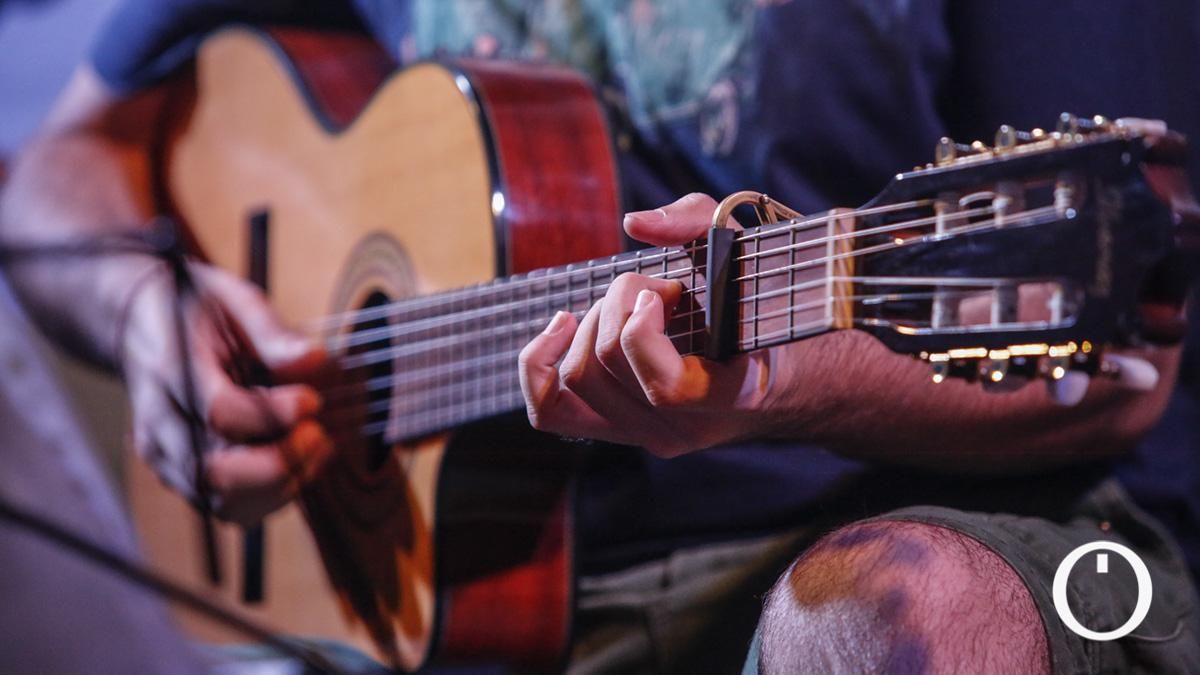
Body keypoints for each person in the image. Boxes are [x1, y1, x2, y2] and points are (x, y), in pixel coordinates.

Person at [1, 1, 1197, 673]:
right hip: (439, 587)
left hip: (898, 522)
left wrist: (772, 382)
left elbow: (1125, 371)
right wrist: (142, 311)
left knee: (890, 619)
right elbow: (54, 167)